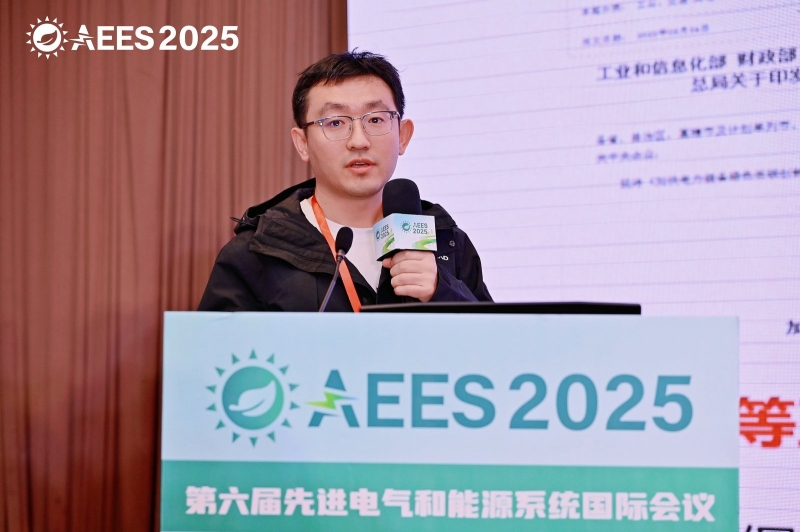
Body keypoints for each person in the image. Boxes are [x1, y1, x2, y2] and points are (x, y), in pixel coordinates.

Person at [198, 50, 492, 312]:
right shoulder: (256, 254)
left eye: (375, 119)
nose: (359, 141)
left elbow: (497, 346)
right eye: (336, 122)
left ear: (402, 136)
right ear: (302, 144)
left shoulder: (447, 243)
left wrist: (443, 290)